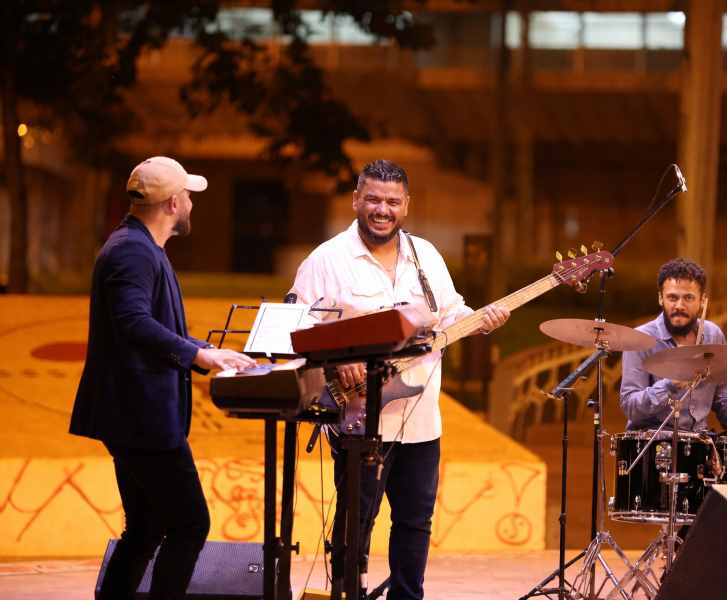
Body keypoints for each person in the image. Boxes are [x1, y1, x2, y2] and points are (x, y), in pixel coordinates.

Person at [289, 159, 509, 600]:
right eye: (372, 199)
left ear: (406, 206)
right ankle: (347, 594)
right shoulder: (326, 260)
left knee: (415, 524)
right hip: (358, 420)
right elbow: (295, 329)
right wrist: (335, 361)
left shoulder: (425, 256)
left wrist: (482, 320)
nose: (381, 209)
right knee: (356, 523)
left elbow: (452, 313)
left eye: (392, 201)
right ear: (356, 200)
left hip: (423, 422)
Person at [69, 156, 256, 599]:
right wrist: (198, 355)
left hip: (137, 415)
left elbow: (150, 323)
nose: (192, 203)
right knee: (190, 523)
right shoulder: (132, 251)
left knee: (146, 528)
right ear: (173, 203)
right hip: (142, 417)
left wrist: (204, 352)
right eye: (188, 196)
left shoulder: (137, 246)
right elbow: (132, 322)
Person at [619, 257, 727, 436]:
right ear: (660, 298)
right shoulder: (639, 339)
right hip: (651, 443)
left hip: (698, 441)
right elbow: (630, 406)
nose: (679, 306)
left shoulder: (713, 335)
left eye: (688, 298)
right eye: (672, 298)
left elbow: (723, 396)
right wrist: (670, 385)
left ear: (703, 301)